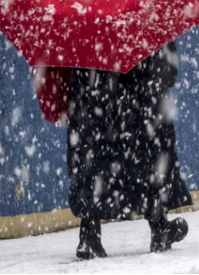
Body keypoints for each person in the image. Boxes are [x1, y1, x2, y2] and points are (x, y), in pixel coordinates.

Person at [66, 42, 192, 260]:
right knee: (153, 157)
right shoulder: (146, 20)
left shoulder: (84, 22)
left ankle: (89, 235)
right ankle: (159, 227)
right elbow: (168, 73)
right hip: (139, 110)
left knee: (94, 162)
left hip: (96, 108)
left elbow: (72, 77)